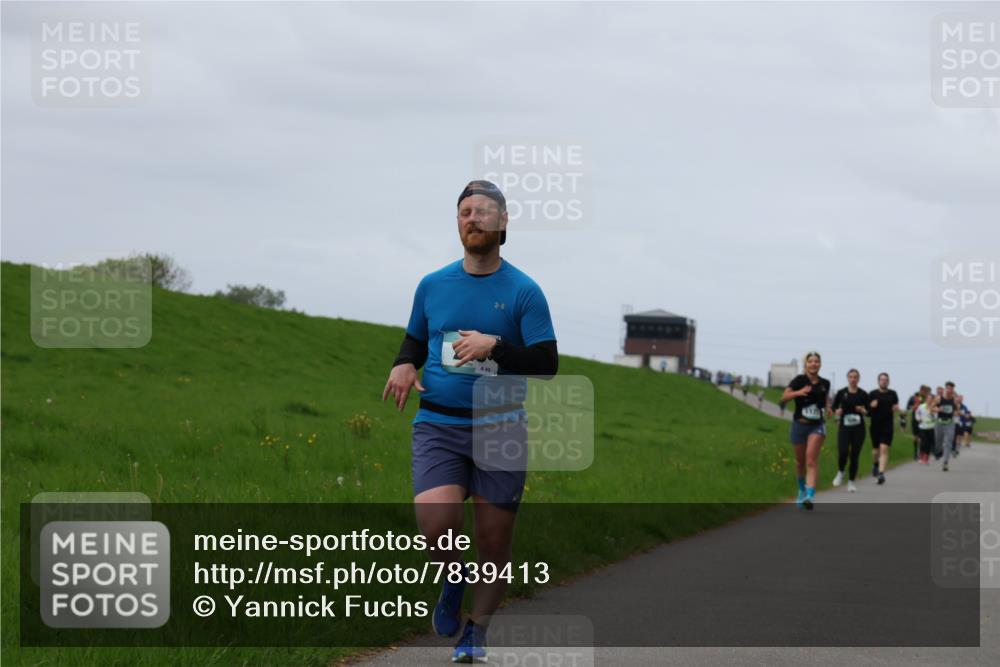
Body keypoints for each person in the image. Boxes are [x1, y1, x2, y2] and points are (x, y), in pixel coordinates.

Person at [382, 180, 558, 662]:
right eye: (464, 211)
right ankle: (452, 582)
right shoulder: (433, 284)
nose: (472, 218)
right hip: (438, 424)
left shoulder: (525, 291)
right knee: (437, 527)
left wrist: (495, 347)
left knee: (492, 540)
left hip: (500, 428)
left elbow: (547, 364)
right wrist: (403, 363)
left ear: (503, 224)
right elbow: (416, 338)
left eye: (483, 211)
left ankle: (476, 630)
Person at [781, 351, 832, 510]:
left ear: (820, 364)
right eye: (811, 361)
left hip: (817, 425)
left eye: (816, 361)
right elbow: (784, 397)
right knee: (800, 462)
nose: (814, 364)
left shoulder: (825, 383)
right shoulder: (799, 380)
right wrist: (799, 392)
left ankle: (810, 495)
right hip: (799, 425)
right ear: (806, 364)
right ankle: (802, 490)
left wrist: (828, 408)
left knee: (811, 459)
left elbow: (824, 400)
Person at [832, 369, 868, 493]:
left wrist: (863, 410)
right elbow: (833, 406)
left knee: (854, 455)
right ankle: (841, 472)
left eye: (855, 377)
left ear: (858, 379)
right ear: (848, 378)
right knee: (843, 451)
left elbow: (869, 412)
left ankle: (851, 482)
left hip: (859, 429)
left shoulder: (863, 394)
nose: (853, 379)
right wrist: (837, 411)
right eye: (851, 377)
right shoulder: (841, 392)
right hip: (844, 427)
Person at [867, 372, 899, 485]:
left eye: (886, 379)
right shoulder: (872, 394)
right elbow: (867, 413)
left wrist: (896, 408)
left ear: (888, 381)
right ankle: (875, 464)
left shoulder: (893, 394)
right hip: (875, 426)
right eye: (882, 379)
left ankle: (881, 474)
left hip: (888, 426)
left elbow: (895, 406)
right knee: (876, 451)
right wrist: (871, 406)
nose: (884, 381)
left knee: (884, 449)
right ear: (878, 381)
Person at [933, 381, 958, 472]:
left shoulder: (954, 400)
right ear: (945, 388)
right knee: (938, 441)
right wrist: (938, 409)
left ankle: (945, 462)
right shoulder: (939, 398)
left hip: (950, 423)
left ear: (952, 390)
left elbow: (957, 411)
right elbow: (931, 408)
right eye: (948, 388)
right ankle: (939, 451)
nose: (949, 390)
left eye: (951, 388)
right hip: (939, 423)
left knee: (948, 442)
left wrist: (956, 412)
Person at [916, 387, 936, 464]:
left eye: (931, 398)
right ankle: (921, 456)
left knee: (929, 443)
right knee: (923, 442)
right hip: (922, 427)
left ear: (933, 400)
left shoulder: (934, 407)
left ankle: (926, 458)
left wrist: (932, 412)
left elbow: (936, 416)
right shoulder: (921, 406)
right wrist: (918, 418)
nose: (929, 400)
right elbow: (917, 413)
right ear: (926, 399)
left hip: (931, 427)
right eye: (928, 398)